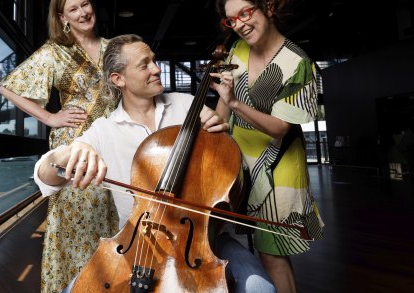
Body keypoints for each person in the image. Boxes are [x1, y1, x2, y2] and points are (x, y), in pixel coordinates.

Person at [35, 34, 275, 292]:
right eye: (144, 64)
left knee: (261, 288)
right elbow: (44, 175)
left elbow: (221, 162)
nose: (156, 68)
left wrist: (219, 127)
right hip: (134, 245)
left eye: (154, 61)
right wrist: (70, 152)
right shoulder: (104, 129)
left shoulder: (185, 105)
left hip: (202, 238)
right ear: (119, 79)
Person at [0, 0, 119, 293]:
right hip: (74, 145)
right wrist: (50, 118)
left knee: (116, 215)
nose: (83, 12)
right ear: (62, 17)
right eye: (73, 9)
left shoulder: (114, 49)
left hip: (115, 139)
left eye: (85, 4)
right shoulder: (56, 52)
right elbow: (7, 88)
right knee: (78, 223)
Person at [210, 0, 325, 293]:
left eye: (246, 12)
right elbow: (225, 99)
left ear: (269, 7)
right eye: (232, 19)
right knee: (237, 242)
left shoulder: (296, 62)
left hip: (279, 167)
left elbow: (281, 127)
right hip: (237, 162)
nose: (240, 24)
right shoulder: (237, 50)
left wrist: (233, 102)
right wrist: (214, 134)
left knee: (272, 254)